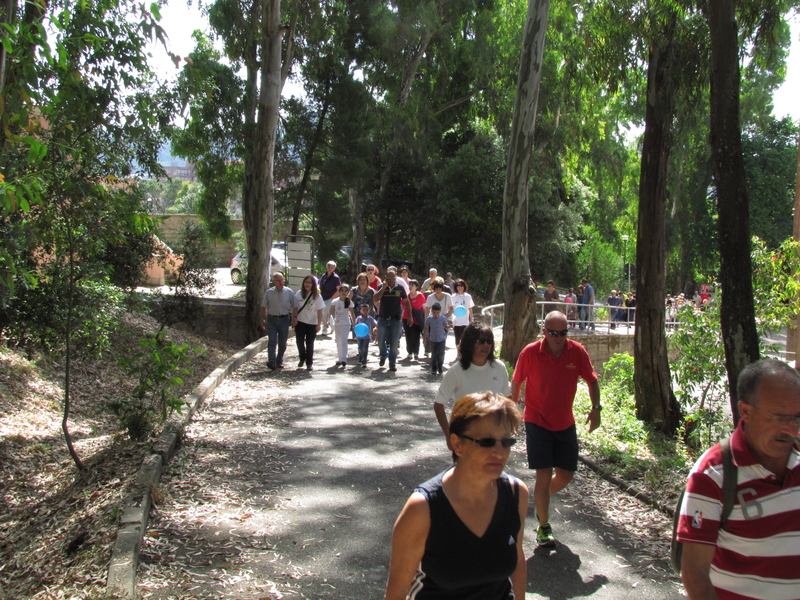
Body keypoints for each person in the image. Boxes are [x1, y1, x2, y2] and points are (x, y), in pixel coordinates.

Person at [384, 393, 528, 600]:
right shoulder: (423, 508)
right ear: (457, 444)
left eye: (506, 442)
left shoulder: (516, 493)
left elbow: (517, 560)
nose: (500, 452)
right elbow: (396, 593)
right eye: (487, 442)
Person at [678, 359, 800, 600]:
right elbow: (694, 574)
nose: (790, 429)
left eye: (797, 417)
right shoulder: (713, 475)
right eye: (778, 417)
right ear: (745, 411)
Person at [511, 311, 601, 547]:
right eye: (553, 333)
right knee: (543, 472)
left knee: (566, 474)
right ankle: (544, 527)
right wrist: (513, 412)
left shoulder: (577, 351)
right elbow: (517, 380)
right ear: (544, 332)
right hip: (536, 419)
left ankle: (541, 502)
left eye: (563, 333)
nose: (558, 338)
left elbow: (592, 380)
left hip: (564, 422)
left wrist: (596, 409)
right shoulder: (530, 352)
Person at [433, 323, 511, 448]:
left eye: (489, 341)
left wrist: (507, 426)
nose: (485, 345)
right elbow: (438, 404)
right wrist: (449, 435)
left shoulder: (499, 367)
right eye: (480, 341)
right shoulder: (456, 371)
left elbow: (508, 397)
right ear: (469, 343)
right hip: (466, 438)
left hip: (495, 437)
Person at [373, 269, 413, 372]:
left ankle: (392, 364)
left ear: (396, 278)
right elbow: (375, 299)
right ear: (385, 278)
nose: (391, 280)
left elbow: (406, 302)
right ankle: (383, 354)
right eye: (388, 278)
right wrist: (384, 287)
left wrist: (410, 316)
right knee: (380, 340)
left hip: (396, 319)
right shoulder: (381, 287)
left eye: (393, 278)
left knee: (394, 342)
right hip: (383, 318)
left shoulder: (400, 288)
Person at [259, 273, 296, 371]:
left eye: (282, 280)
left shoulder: (289, 292)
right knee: (272, 341)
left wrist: (294, 318)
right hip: (272, 319)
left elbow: (295, 305)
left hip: (284, 319)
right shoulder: (269, 292)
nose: (281, 282)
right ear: (274, 282)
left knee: (282, 343)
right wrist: (262, 319)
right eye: (278, 280)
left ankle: (279, 360)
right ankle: (272, 361)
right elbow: (263, 307)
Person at [292, 275, 324, 371]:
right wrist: (294, 318)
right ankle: (302, 358)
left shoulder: (317, 296)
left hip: (312, 323)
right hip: (300, 321)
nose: (307, 284)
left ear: (313, 284)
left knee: (310, 343)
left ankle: (309, 363)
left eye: (310, 282)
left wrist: (319, 324)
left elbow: (319, 311)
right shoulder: (299, 293)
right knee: (299, 342)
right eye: (306, 282)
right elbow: (294, 307)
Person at [330, 284, 354, 367]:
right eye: (342, 290)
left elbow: (352, 313)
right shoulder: (335, 301)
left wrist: (354, 323)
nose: (343, 292)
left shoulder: (349, 302)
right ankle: (340, 358)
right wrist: (327, 321)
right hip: (337, 324)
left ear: (348, 292)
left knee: (344, 341)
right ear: (339, 292)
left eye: (345, 291)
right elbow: (330, 312)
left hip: (346, 324)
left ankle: (344, 358)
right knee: (339, 341)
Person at [403, 279, 426, 360]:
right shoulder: (406, 295)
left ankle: (416, 352)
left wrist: (425, 319)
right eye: (410, 285)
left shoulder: (420, 296)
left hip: (417, 319)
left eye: (412, 285)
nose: (410, 287)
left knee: (416, 335)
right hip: (406, 318)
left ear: (416, 287)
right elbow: (402, 306)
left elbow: (424, 308)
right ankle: (409, 352)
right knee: (408, 335)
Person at [424, 303, 449, 375]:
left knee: (441, 353)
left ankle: (440, 366)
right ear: (431, 311)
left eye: (437, 313)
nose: (436, 314)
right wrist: (424, 338)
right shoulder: (429, 319)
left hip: (441, 339)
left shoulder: (442, 318)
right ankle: (434, 367)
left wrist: (449, 326)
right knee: (434, 353)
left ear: (440, 311)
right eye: (434, 312)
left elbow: (445, 326)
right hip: (433, 339)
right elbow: (426, 328)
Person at [319, 261, 341, 335]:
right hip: (323, 297)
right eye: (329, 267)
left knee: (325, 313)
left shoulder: (336, 278)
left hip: (331, 298)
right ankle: (332, 326)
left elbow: (338, 290)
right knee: (326, 313)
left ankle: (324, 329)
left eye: (331, 267)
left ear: (334, 268)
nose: (330, 268)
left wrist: (332, 298)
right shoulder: (324, 276)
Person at [451, 279, 474, 347]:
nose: (460, 287)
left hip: (465, 322)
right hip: (456, 322)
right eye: (458, 286)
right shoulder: (453, 297)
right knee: (457, 340)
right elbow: (451, 309)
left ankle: (463, 354)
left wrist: (472, 319)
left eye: (461, 285)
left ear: (464, 286)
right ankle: (458, 353)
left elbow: (470, 308)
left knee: (464, 339)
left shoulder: (468, 296)